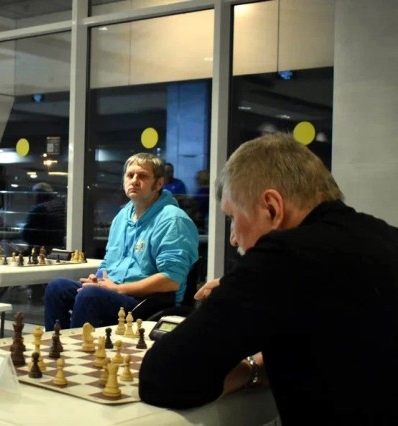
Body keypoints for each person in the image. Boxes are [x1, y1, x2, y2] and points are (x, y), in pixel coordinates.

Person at [139, 133, 398, 425]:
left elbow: (162, 377)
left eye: (232, 217)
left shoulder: (284, 256)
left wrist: (252, 368)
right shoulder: (386, 237)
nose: (233, 237)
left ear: (272, 208)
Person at [44, 153, 199, 331]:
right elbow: (108, 263)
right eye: (130, 175)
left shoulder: (173, 219)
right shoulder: (122, 216)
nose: (134, 181)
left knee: (89, 295)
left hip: (148, 301)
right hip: (114, 290)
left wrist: (119, 289)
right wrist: (98, 279)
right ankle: (58, 344)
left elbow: (170, 280)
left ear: (158, 184)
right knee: (57, 288)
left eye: (142, 176)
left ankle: (79, 347)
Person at [21, 182, 67, 250]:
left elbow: (28, 233)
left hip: (43, 247)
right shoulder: (61, 205)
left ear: (38, 194)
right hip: (58, 246)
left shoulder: (40, 208)